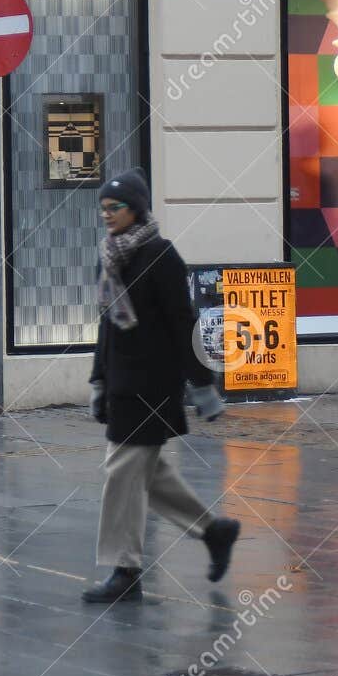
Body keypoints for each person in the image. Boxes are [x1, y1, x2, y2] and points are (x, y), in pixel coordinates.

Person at [82, 168, 240, 604]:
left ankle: (125, 570)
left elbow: (182, 325)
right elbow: (108, 327)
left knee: (121, 472)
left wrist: (202, 386)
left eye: (115, 207)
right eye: (103, 208)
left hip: (152, 388)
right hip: (121, 385)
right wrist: (99, 380)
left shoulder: (161, 256)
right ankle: (215, 531)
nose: (107, 215)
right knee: (151, 478)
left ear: (137, 209)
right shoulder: (110, 256)